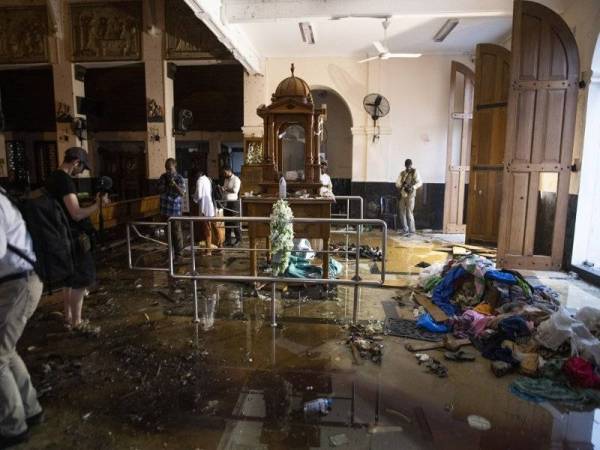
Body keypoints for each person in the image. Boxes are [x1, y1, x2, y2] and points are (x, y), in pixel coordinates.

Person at [46, 147, 109, 333]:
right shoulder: (65, 181)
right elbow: (76, 214)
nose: (81, 172)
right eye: (81, 168)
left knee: (69, 279)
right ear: (76, 162)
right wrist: (97, 205)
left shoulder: (52, 177)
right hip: (73, 238)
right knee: (82, 279)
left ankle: (68, 317)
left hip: (60, 235)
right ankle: (77, 322)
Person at [0, 187, 44, 448]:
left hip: (16, 285)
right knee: (7, 351)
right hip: (19, 282)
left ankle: (12, 426)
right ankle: (30, 409)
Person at [158, 158, 186, 259]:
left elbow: (182, 193)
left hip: (175, 211)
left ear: (175, 166)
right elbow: (159, 190)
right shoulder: (163, 177)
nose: (168, 171)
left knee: (176, 233)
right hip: (164, 210)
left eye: (170, 169)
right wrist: (166, 185)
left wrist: (174, 185)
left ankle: (179, 254)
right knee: (167, 233)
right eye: (166, 169)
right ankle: (170, 252)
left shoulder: (179, 178)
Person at [193, 169, 220, 255]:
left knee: (207, 229)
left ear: (198, 175)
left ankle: (208, 251)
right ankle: (220, 245)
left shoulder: (199, 181)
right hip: (211, 205)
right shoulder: (208, 180)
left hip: (204, 208)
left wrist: (194, 198)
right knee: (214, 226)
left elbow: (199, 195)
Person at [395, 158, 422, 235]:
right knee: (401, 212)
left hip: (411, 194)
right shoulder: (402, 173)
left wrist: (413, 187)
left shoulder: (415, 172)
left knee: (409, 212)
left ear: (411, 165)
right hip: (402, 194)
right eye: (407, 166)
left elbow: (419, 182)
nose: (408, 167)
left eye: (409, 166)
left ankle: (412, 230)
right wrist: (402, 185)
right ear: (405, 165)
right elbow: (397, 183)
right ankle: (405, 229)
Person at [221, 166, 241, 246]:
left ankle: (238, 239)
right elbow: (224, 189)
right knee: (227, 222)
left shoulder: (236, 179)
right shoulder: (226, 179)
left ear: (229, 171)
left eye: (225, 172)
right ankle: (228, 240)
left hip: (234, 203)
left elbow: (235, 190)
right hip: (226, 202)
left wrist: (225, 189)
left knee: (235, 222)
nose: (224, 174)